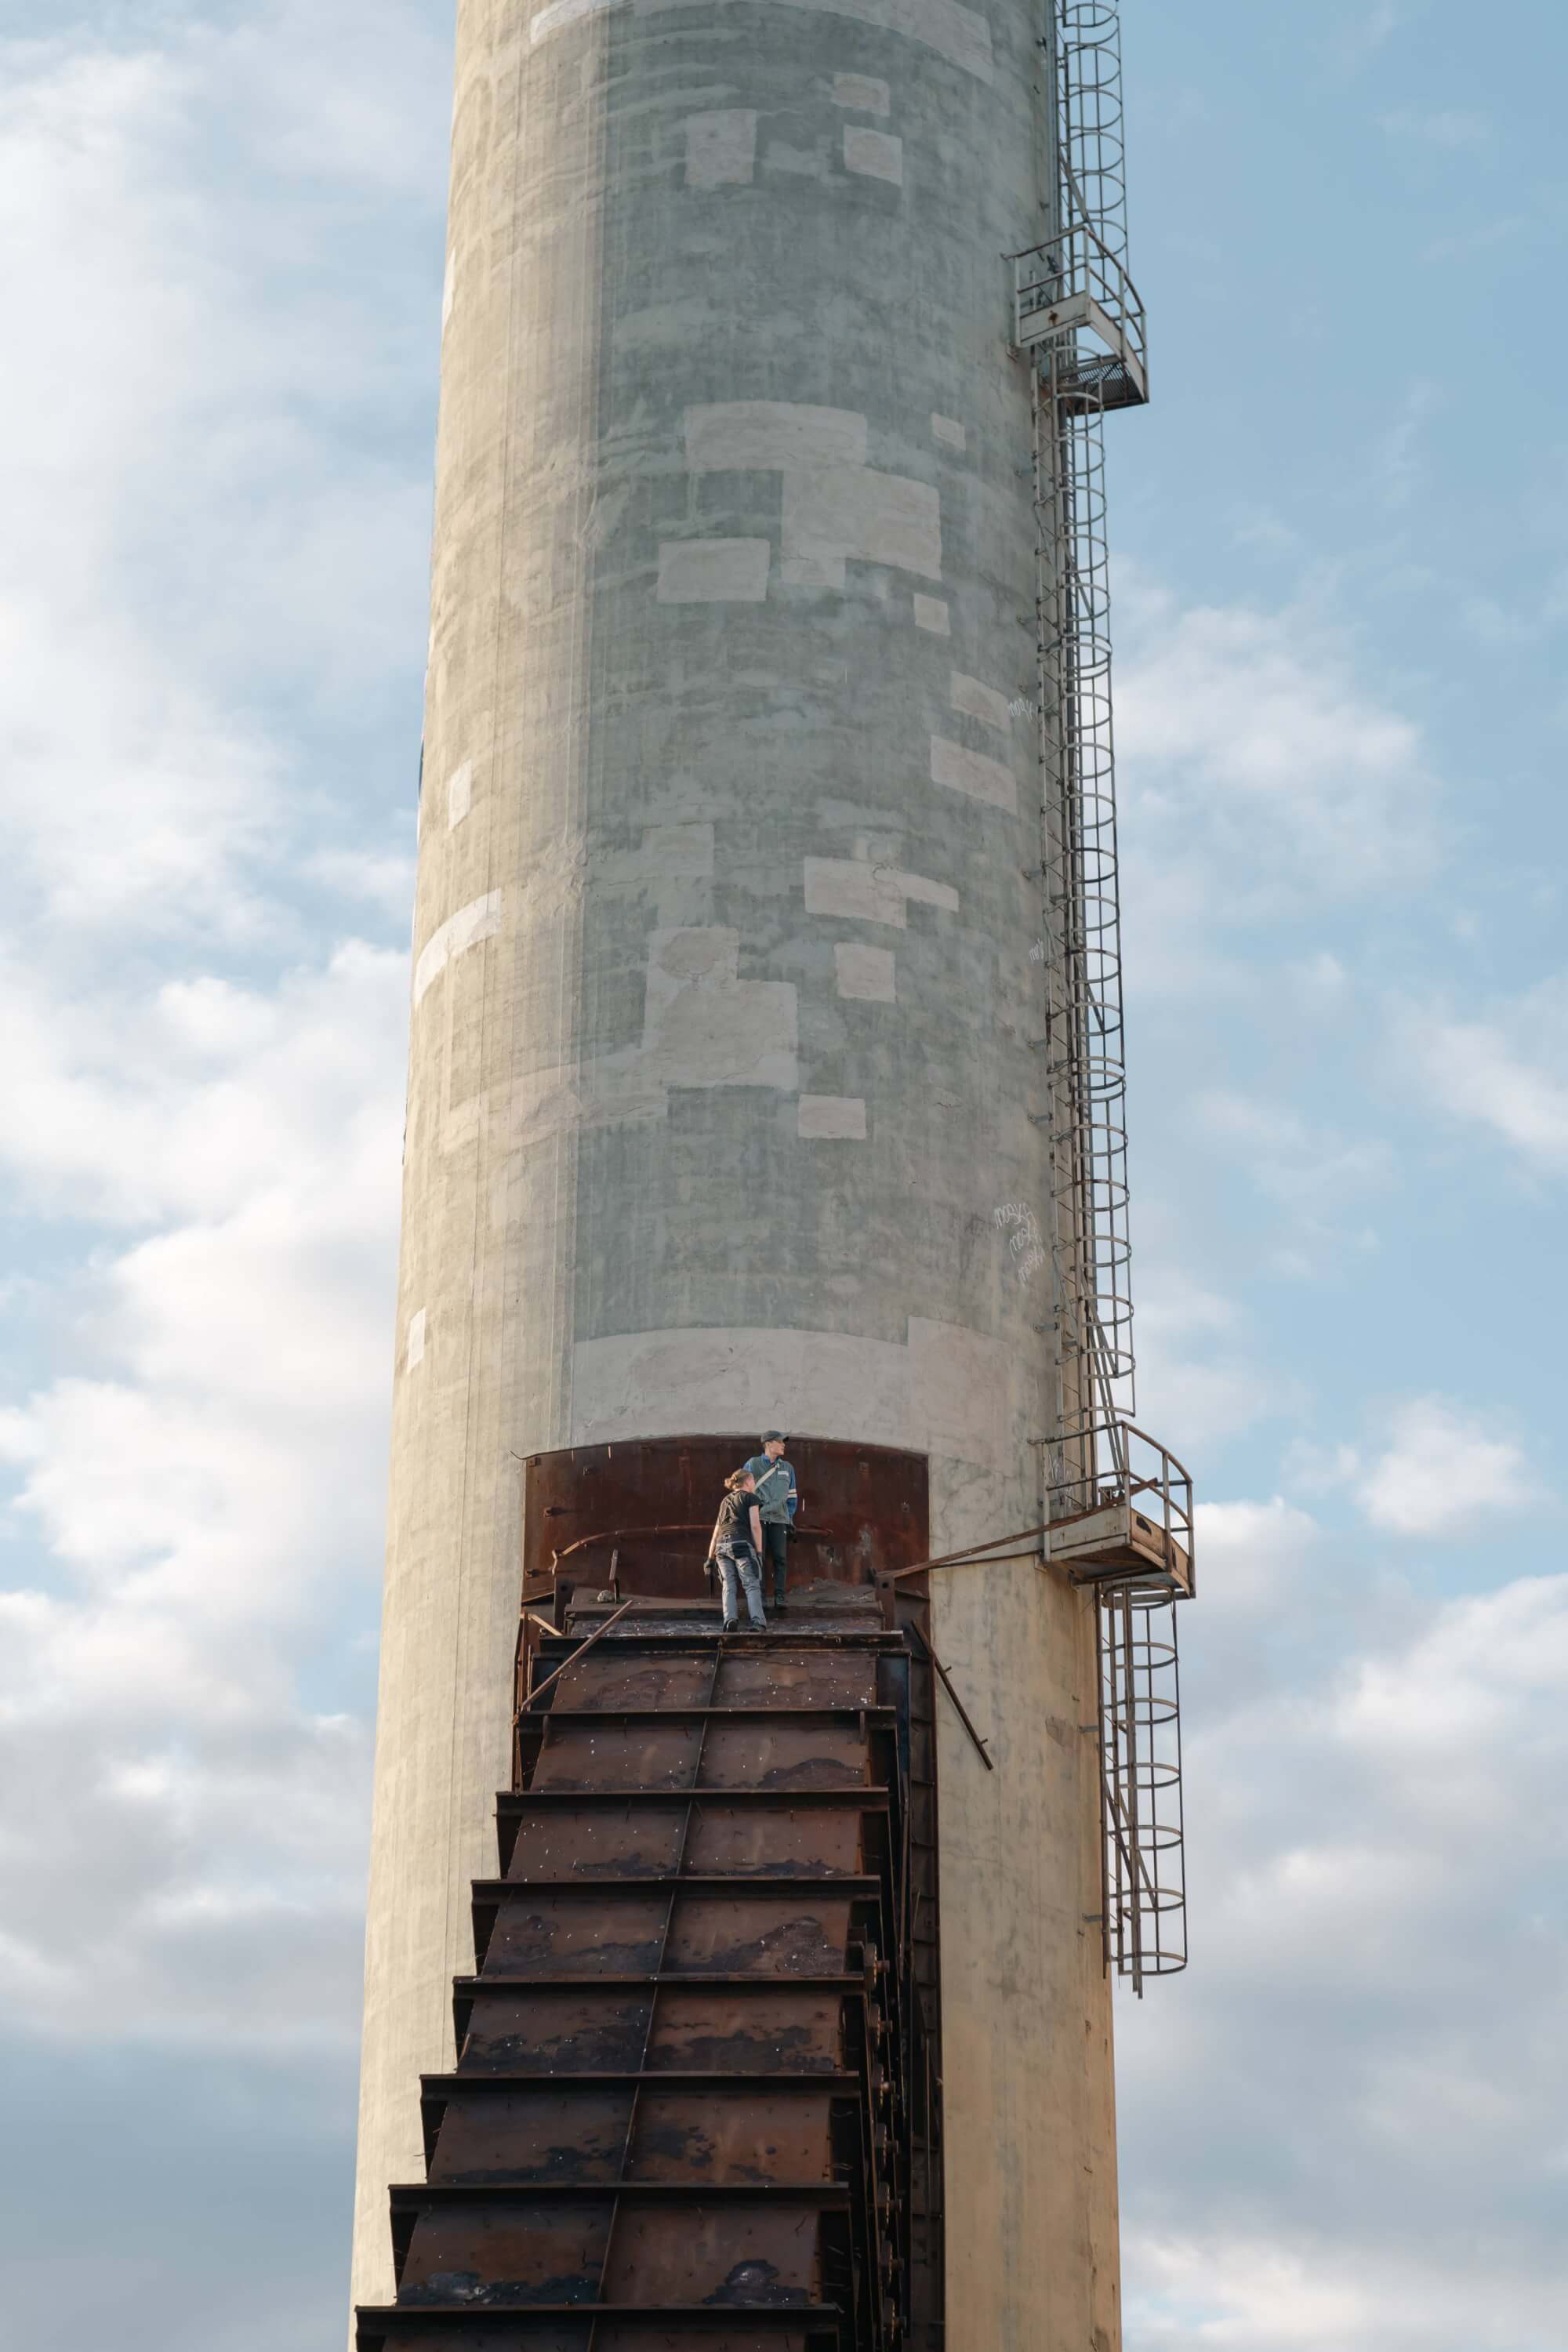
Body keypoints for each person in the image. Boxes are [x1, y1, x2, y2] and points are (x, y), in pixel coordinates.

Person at [706, 1468, 767, 1632]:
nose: (754, 1483)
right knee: (751, 1584)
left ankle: (730, 1620)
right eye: (753, 1480)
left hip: (721, 1547)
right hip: (741, 1544)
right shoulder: (751, 1498)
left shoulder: (725, 1500)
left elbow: (717, 1530)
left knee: (728, 1585)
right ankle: (758, 1623)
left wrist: (710, 1558)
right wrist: (759, 1553)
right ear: (747, 1481)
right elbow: (755, 1526)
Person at [743, 1432, 798, 1610]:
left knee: (780, 1558)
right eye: (780, 1442)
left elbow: (792, 1496)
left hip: (779, 1520)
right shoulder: (753, 1464)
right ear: (768, 1444)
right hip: (758, 1519)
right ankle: (761, 1596)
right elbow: (744, 1493)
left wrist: (789, 1518)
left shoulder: (788, 1468)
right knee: (759, 1558)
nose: (784, 1445)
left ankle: (780, 1596)